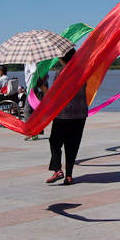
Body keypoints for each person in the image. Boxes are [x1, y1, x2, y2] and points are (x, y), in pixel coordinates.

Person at [46, 48, 88, 185]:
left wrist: (41, 87)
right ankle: (69, 175)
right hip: (80, 114)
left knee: (55, 141)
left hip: (63, 114)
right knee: (72, 145)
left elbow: (54, 94)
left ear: (62, 58)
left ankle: (58, 169)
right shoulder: (83, 72)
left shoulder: (61, 73)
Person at [23, 63, 48, 141]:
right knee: (36, 110)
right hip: (34, 88)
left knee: (27, 111)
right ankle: (37, 130)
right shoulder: (33, 61)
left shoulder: (30, 61)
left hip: (33, 89)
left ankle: (31, 132)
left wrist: (36, 88)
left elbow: (35, 73)